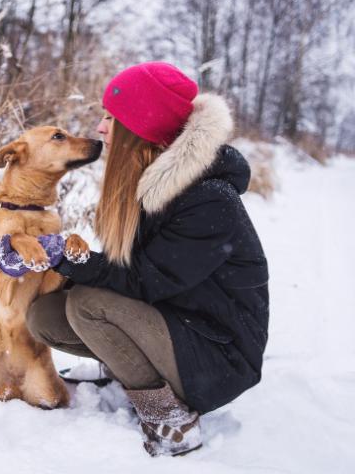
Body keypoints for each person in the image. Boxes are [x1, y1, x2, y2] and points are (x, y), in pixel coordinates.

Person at [25, 62, 270, 456]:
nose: (101, 128)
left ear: (142, 128)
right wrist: (49, 266)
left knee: (89, 306)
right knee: (46, 315)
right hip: (174, 322)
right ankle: (124, 365)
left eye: (111, 118)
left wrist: (70, 263)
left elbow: (145, 280)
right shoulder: (149, 180)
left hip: (217, 356)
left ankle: (172, 420)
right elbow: (132, 275)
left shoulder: (208, 198)